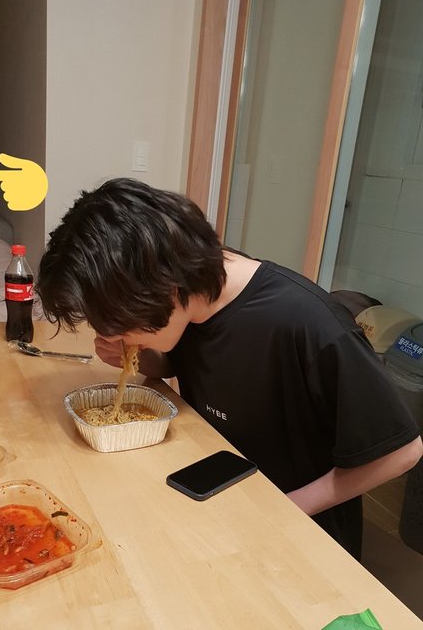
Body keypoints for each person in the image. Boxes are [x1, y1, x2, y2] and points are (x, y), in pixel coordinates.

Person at [37, 177, 422, 560]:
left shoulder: (309, 325)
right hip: (221, 496)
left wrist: (283, 509)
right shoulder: (193, 291)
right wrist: (137, 354)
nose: (108, 333)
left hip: (299, 535)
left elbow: (401, 451)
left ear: (162, 288)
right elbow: (182, 360)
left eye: (115, 320)